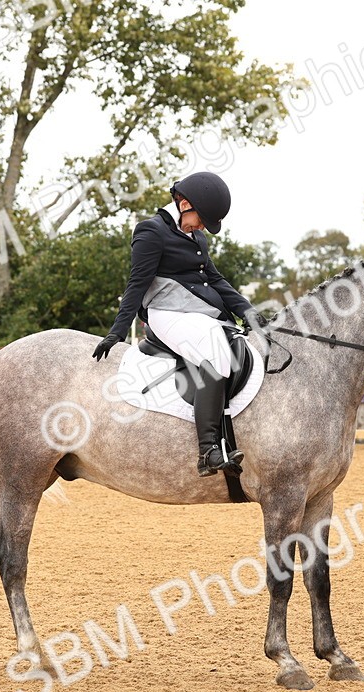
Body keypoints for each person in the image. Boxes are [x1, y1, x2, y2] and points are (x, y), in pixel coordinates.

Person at [92, 171, 265, 477]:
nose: (202, 228)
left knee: (230, 344)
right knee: (215, 354)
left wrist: (247, 311)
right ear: (184, 203)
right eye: (201, 219)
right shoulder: (150, 232)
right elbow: (136, 284)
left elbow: (214, 279)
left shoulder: (195, 236)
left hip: (197, 313)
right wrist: (117, 332)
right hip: (165, 314)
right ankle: (209, 450)